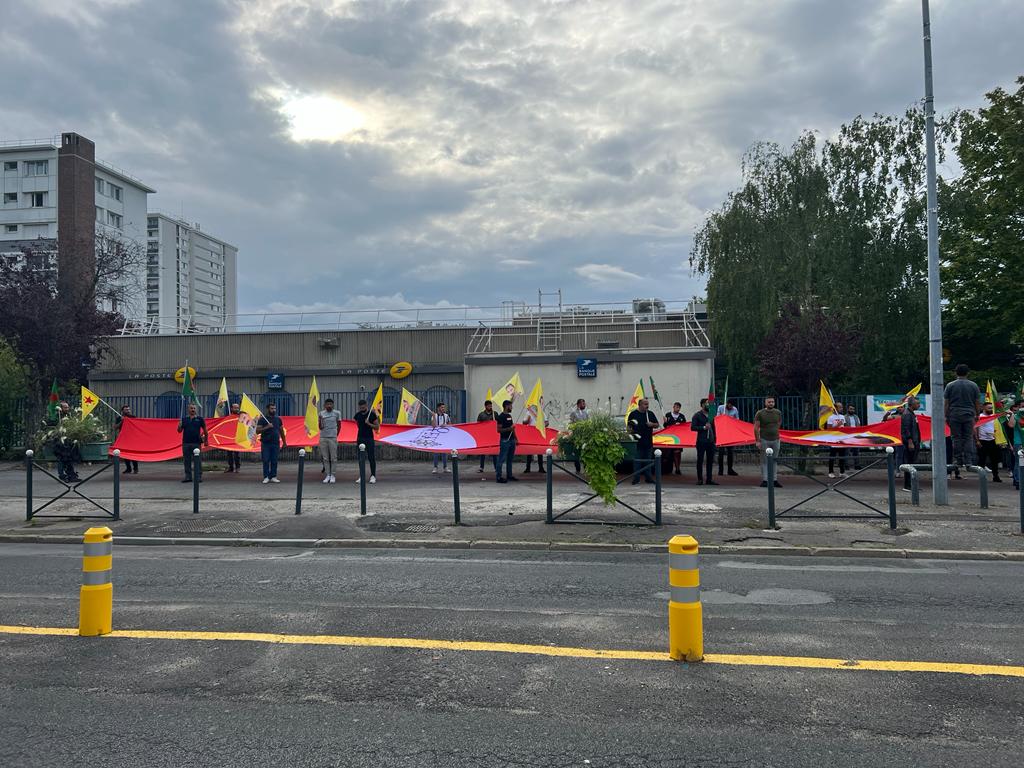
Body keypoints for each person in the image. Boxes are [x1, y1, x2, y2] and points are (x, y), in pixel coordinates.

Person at [944, 363, 981, 473]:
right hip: (969, 414)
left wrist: (946, 415)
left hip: (954, 414)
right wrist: (977, 414)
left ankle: (958, 460)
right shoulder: (973, 385)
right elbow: (977, 402)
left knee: (956, 438)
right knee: (968, 437)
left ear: (956, 372)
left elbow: (946, 403)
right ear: (967, 373)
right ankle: (968, 460)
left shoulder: (950, 385)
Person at [627, 398, 661, 485]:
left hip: (648, 441)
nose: (647, 406)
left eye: (647, 404)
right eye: (645, 404)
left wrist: (652, 424)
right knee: (637, 461)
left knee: (648, 461)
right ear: (640, 405)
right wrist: (631, 434)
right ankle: (636, 479)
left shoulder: (650, 414)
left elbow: (657, 425)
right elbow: (629, 427)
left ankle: (648, 478)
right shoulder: (633, 414)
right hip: (637, 442)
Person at [753, 396, 783, 488]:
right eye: (769, 402)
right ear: (765, 403)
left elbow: (779, 423)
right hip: (764, 439)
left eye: (772, 402)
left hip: (776, 439)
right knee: (764, 460)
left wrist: (775, 431)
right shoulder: (760, 413)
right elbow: (756, 427)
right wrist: (757, 441)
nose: (771, 403)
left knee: (774, 460)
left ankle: (774, 479)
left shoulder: (778, 412)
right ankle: (765, 480)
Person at [177, 403, 208, 483]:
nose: (193, 410)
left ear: (196, 409)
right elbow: (179, 431)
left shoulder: (200, 419)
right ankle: (188, 477)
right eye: (191, 408)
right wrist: (179, 426)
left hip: (196, 443)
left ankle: (198, 477)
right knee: (187, 461)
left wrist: (206, 440)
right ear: (188, 409)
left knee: (197, 461)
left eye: (194, 408)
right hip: (186, 443)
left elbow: (205, 430)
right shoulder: (184, 419)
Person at [256, 403, 286, 484]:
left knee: (274, 460)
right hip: (266, 443)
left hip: (275, 443)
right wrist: (267, 427)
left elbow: (281, 431)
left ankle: (273, 476)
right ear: (268, 409)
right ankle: (266, 477)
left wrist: (284, 442)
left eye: (274, 408)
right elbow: (257, 431)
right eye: (272, 408)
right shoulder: (262, 419)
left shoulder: (278, 419)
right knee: (266, 460)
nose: (274, 410)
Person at [690, 398, 717, 486]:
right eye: (707, 403)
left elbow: (714, 427)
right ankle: (700, 479)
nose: (708, 405)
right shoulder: (697, 415)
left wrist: (715, 438)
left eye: (709, 403)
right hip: (701, 441)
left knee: (710, 460)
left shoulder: (711, 415)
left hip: (711, 441)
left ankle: (709, 479)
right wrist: (703, 427)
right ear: (702, 405)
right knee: (700, 460)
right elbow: (693, 427)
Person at [354, 399, 379, 484]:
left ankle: (373, 476)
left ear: (366, 405)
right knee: (361, 458)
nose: (362, 408)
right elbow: (358, 425)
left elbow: (377, 427)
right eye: (360, 407)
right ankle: (362, 476)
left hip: (369, 438)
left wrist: (369, 424)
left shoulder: (372, 414)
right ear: (359, 407)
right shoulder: (357, 415)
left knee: (371, 457)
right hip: (360, 438)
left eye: (363, 406)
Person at [975, 401, 1002, 482]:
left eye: (991, 408)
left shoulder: (994, 417)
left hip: (993, 440)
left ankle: (996, 476)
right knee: (982, 460)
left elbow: (997, 428)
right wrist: (977, 440)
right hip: (982, 441)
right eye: (989, 408)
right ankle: (981, 477)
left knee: (994, 460)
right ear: (984, 408)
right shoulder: (980, 417)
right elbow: (975, 428)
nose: (991, 409)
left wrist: (999, 439)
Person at [318, 398, 342, 483]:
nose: (329, 406)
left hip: (332, 437)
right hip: (323, 437)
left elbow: (339, 425)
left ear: (333, 405)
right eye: (327, 404)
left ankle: (333, 475)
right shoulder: (321, 413)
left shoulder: (337, 413)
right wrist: (320, 420)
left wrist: (335, 435)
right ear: (324, 405)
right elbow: (320, 427)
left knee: (333, 457)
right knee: (325, 458)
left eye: (330, 404)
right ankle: (328, 474)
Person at [901, 397, 922, 491]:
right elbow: (906, 429)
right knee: (909, 464)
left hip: (915, 442)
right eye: (917, 403)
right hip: (910, 443)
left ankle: (912, 485)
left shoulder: (911, 414)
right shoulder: (907, 414)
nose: (919, 405)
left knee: (913, 463)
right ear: (911, 404)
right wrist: (910, 441)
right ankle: (907, 485)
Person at [495, 399, 518, 483]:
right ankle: (498, 477)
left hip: (512, 440)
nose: (512, 407)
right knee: (501, 459)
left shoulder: (509, 416)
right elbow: (499, 430)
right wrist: (509, 429)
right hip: (505, 440)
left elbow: (512, 428)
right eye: (510, 406)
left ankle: (509, 475)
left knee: (510, 459)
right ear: (506, 406)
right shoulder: (500, 417)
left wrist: (516, 438)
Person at [715, 399, 739, 477]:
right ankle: (720, 470)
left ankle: (730, 469)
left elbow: (737, 420)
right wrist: (723, 417)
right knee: (721, 452)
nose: (731, 407)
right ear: (727, 403)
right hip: (722, 432)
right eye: (730, 405)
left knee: (730, 452)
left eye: (732, 406)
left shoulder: (735, 409)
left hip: (730, 432)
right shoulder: (721, 408)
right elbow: (717, 418)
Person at [663, 402, 687, 475]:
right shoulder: (668, 415)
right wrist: (665, 422)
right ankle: (667, 469)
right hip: (669, 437)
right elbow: (665, 426)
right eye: (676, 407)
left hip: (678, 438)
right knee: (668, 454)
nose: (677, 409)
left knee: (677, 453)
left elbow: (685, 427)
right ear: (673, 407)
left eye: (679, 407)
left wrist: (680, 426)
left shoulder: (682, 416)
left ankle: (677, 468)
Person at [114, 404, 139, 475]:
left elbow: (138, 426)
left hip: (132, 438)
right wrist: (122, 421)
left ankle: (135, 469)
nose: (128, 411)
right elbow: (115, 427)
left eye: (129, 409)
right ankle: (128, 468)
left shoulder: (133, 417)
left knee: (133, 453)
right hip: (124, 438)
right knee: (125, 454)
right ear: (122, 411)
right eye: (126, 410)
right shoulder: (119, 418)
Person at [522, 409, 549, 473]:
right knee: (529, 451)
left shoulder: (541, 412)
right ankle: (528, 468)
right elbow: (524, 422)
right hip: (531, 434)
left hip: (539, 433)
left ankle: (541, 467)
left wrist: (543, 426)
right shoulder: (529, 412)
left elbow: (547, 422)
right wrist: (526, 421)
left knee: (539, 450)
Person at [826, 402, 848, 478]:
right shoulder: (830, 418)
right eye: (840, 407)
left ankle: (842, 472)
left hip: (841, 439)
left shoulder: (842, 417)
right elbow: (829, 429)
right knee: (832, 457)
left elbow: (844, 427)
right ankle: (831, 472)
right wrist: (837, 425)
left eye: (842, 407)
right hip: (834, 440)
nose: (841, 408)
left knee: (842, 457)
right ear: (835, 408)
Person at [568, 398, 590, 474]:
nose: (584, 405)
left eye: (584, 403)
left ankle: (586, 468)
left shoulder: (586, 413)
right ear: (578, 405)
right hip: (576, 436)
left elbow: (588, 422)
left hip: (584, 436)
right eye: (583, 404)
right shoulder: (573, 413)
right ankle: (577, 469)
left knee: (585, 451)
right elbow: (570, 423)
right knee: (577, 452)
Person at [476, 400, 497, 474]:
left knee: (495, 452)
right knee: (483, 452)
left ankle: (496, 467)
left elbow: (498, 423)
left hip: (493, 436)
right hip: (484, 436)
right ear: (485, 406)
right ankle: (481, 467)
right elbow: (478, 425)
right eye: (489, 406)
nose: (490, 407)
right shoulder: (481, 415)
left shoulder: (495, 414)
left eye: (491, 406)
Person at [432, 402, 452, 473]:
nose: (443, 408)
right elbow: (433, 426)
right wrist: (433, 416)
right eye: (442, 407)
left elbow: (451, 425)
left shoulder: (446, 416)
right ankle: (435, 467)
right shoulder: (434, 415)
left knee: (444, 453)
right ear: (438, 408)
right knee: (436, 453)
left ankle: (445, 467)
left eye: (444, 407)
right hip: (436, 437)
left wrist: (445, 425)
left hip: (444, 437)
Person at [225, 402, 242, 473]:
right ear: (231, 408)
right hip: (229, 437)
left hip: (237, 437)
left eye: (237, 408)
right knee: (229, 454)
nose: (236, 409)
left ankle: (238, 467)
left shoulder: (240, 417)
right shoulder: (228, 417)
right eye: (235, 408)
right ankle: (231, 467)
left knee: (236, 453)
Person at [845, 403, 862, 470]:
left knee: (856, 451)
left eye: (853, 409)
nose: (852, 410)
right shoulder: (844, 417)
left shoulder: (856, 417)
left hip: (855, 436)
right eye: (851, 409)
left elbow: (859, 426)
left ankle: (857, 465)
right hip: (847, 436)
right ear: (848, 409)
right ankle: (846, 465)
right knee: (846, 451)